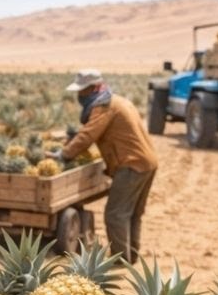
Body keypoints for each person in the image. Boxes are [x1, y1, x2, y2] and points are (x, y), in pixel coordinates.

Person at [50, 70, 159, 263]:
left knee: (115, 214)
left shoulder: (104, 106)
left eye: (82, 91)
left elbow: (88, 135)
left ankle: (120, 259)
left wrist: (64, 154)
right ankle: (131, 255)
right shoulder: (118, 101)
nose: (79, 96)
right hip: (147, 162)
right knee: (132, 213)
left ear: (92, 88)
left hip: (131, 164)